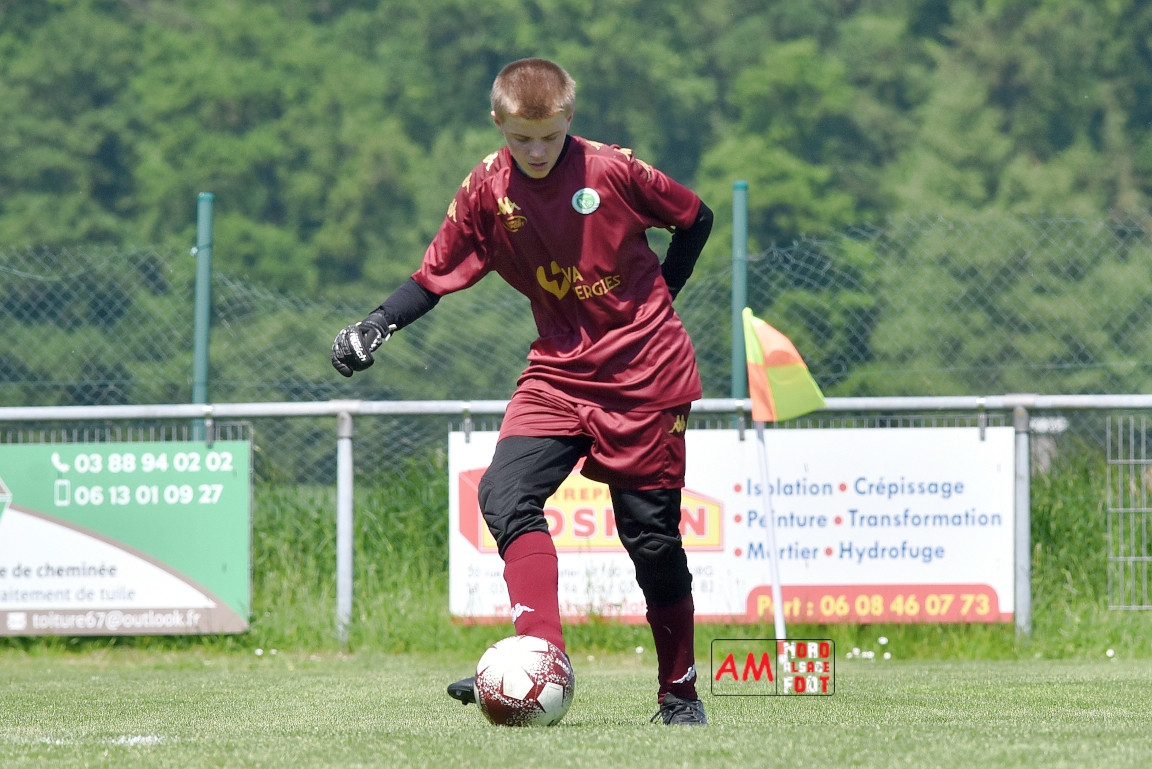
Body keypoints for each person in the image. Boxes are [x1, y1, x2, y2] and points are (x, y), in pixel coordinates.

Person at [331, 58, 713, 725]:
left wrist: (662, 296)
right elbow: (432, 276)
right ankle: (539, 657)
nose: (536, 151)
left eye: (549, 136)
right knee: (504, 493)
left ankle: (679, 693)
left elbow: (696, 218)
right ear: (498, 124)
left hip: (645, 374)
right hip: (558, 371)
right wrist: (375, 324)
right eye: (521, 139)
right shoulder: (487, 187)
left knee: (650, 540)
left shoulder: (612, 170)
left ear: (570, 119)